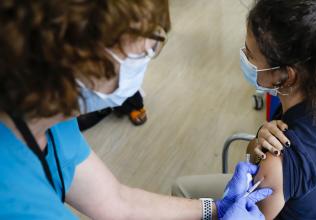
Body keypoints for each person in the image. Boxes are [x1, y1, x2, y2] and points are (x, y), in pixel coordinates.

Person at [0, 1, 272, 219]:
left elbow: (115, 202)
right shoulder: (14, 202)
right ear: (79, 60)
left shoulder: (51, 120)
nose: (149, 54)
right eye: (144, 49)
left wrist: (215, 209)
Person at [173, 0, 316, 219]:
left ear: (286, 76)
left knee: (181, 188)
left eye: (251, 55)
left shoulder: (277, 159)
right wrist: (256, 146)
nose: (244, 57)